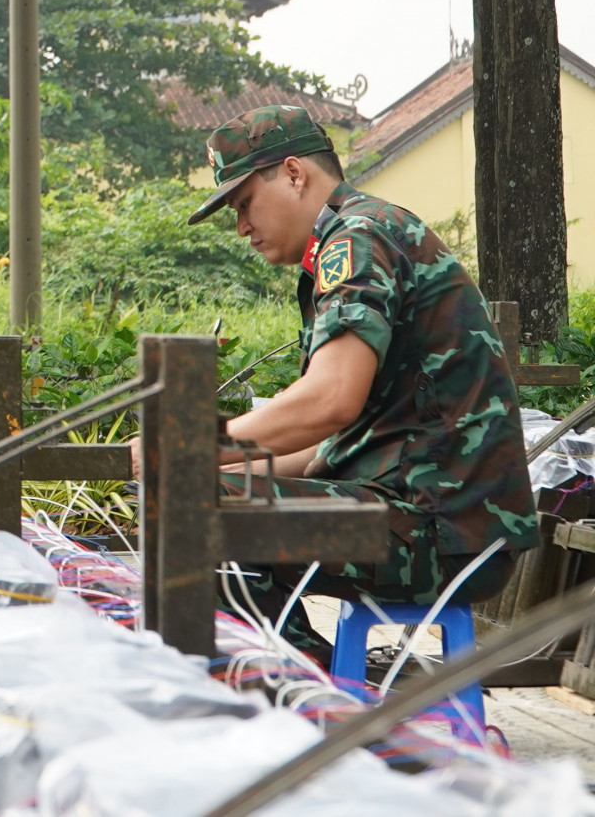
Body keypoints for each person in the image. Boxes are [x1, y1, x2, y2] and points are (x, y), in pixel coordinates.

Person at [182, 105, 538, 662]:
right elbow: (325, 445)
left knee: (195, 511)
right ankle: (324, 686)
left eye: (244, 203)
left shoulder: (358, 237)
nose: (242, 227)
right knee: (192, 498)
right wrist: (208, 466)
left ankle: (316, 700)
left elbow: (329, 400)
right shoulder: (351, 239)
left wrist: (195, 452)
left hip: (441, 531)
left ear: (295, 174)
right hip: (430, 519)